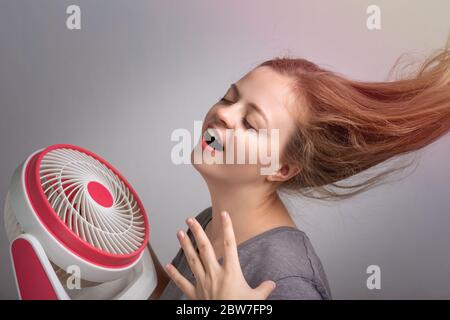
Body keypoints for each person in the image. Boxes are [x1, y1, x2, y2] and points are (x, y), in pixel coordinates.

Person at [149, 37, 450, 300]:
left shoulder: (288, 278)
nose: (224, 115)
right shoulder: (209, 223)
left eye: (251, 124)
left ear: (282, 168)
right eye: (228, 98)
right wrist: (132, 252)